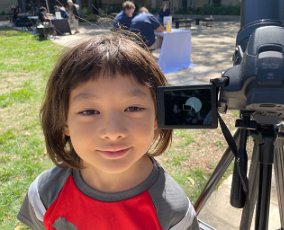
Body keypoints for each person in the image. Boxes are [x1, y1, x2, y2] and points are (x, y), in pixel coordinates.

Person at [17, 34, 200, 229]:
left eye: (133, 108)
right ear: (64, 122)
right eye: (89, 111)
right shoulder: (43, 195)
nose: (113, 132)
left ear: (157, 116)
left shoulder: (175, 213)